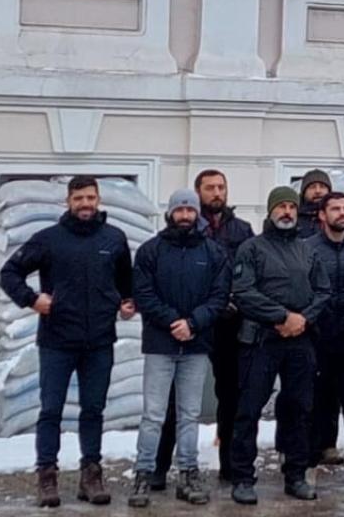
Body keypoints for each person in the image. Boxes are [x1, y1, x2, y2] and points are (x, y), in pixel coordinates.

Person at [1, 175, 136, 508]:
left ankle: (91, 476)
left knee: (93, 410)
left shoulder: (114, 238)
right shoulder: (49, 239)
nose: (85, 204)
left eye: (90, 198)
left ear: (98, 200)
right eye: (79, 198)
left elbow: (126, 282)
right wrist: (32, 299)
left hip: (99, 342)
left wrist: (127, 302)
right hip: (57, 342)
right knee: (51, 410)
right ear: (68, 202)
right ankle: (47, 477)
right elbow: (9, 273)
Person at [129, 188, 232, 507]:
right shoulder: (151, 251)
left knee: (189, 414)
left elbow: (219, 296)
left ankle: (188, 473)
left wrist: (194, 323)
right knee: (153, 414)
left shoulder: (213, 252)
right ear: (170, 213)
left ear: (197, 213)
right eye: (180, 210)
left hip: (196, 345)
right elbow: (143, 294)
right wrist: (174, 321)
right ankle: (143, 474)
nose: (185, 215)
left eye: (190, 210)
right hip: (160, 344)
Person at [228, 186, 329, 505]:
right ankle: (243, 478)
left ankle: (296, 475)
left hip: (301, 340)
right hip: (261, 339)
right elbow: (243, 292)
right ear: (271, 211)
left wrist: (303, 319)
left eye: (291, 206)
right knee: (249, 410)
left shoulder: (307, 250)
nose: (287, 212)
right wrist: (281, 316)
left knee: (300, 408)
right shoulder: (251, 248)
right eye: (281, 206)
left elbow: (323, 291)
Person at [156, 169, 250, 487]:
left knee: (230, 394)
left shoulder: (241, 230)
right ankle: (160, 466)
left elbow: (248, 271)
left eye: (221, 187)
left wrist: (234, 301)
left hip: (229, 323)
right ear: (198, 193)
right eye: (210, 188)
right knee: (175, 397)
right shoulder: (182, 232)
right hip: (191, 322)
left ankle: (229, 465)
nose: (217, 193)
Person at [307, 192, 344, 472]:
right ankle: (310, 464)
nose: (342, 213)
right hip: (317, 337)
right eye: (335, 209)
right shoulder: (308, 248)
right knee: (315, 401)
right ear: (322, 215)